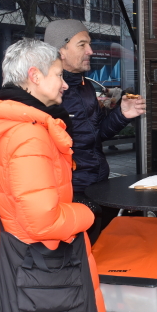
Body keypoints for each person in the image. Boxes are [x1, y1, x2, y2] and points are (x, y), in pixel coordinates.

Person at [0, 39, 109, 312]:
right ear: (35, 76)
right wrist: (86, 211)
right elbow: (44, 221)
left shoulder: (9, 124)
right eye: (58, 75)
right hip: (44, 271)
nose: (65, 86)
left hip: (19, 261)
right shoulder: (29, 135)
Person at [44, 20, 146, 243]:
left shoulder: (85, 85)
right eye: (82, 45)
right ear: (61, 50)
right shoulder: (46, 92)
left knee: (103, 251)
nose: (90, 51)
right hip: (71, 194)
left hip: (97, 185)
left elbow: (96, 133)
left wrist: (122, 114)